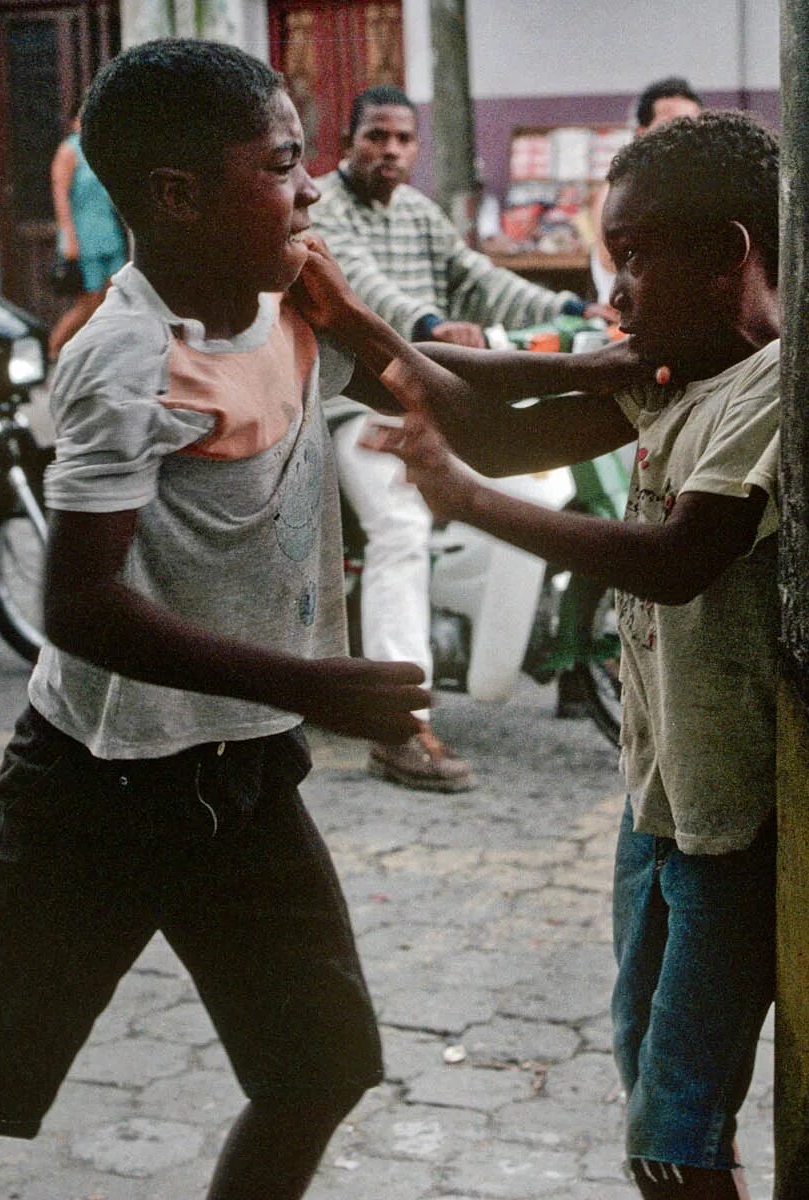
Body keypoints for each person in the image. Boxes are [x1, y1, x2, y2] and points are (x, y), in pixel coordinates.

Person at [0, 40, 431, 1200]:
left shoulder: (287, 313)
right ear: (177, 197)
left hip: (240, 780)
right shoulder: (121, 357)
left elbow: (459, 402)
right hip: (92, 797)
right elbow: (77, 606)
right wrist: (312, 686)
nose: (311, 184)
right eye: (280, 163)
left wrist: (629, 367)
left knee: (315, 1072)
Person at [307, 111, 782, 1199]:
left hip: (732, 824)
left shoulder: (770, 389)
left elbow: (675, 559)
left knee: (674, 1131)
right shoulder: (680, 364)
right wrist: (350, 325)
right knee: (659, 1092)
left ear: (728, 257)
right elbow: (501, 421)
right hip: (657, 800)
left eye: (632, 261)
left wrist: (467, 501)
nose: (614, 291)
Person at [310, 83, 608, 792]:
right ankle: (398, 725)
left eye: (403, 139)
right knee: (401, 527)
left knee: (539, 481)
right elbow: (366, 290)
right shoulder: (324, 205)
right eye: (375, 136)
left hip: (431, 395)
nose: (390, 150)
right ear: (348, 141)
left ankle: (556, 657)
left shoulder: (419, 212)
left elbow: (478, 276)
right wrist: (429, 328)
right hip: (358, 404)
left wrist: (574, 306)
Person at [589, 76, 704, 305]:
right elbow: (621, 264)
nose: (684, 136)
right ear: (642, 132)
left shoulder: (695, 189)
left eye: (693, 125)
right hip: (631, 323)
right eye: (670, 125)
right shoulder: (619, 192)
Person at [47, 114, 128, 357]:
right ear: (73, 121)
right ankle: (53, 348)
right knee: (88, 303)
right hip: (84, 238)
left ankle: (100, 354)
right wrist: (69, 238)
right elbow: (60, 196)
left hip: (109, 234)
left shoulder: (103, 151)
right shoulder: (69, 151)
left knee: (115, 297)